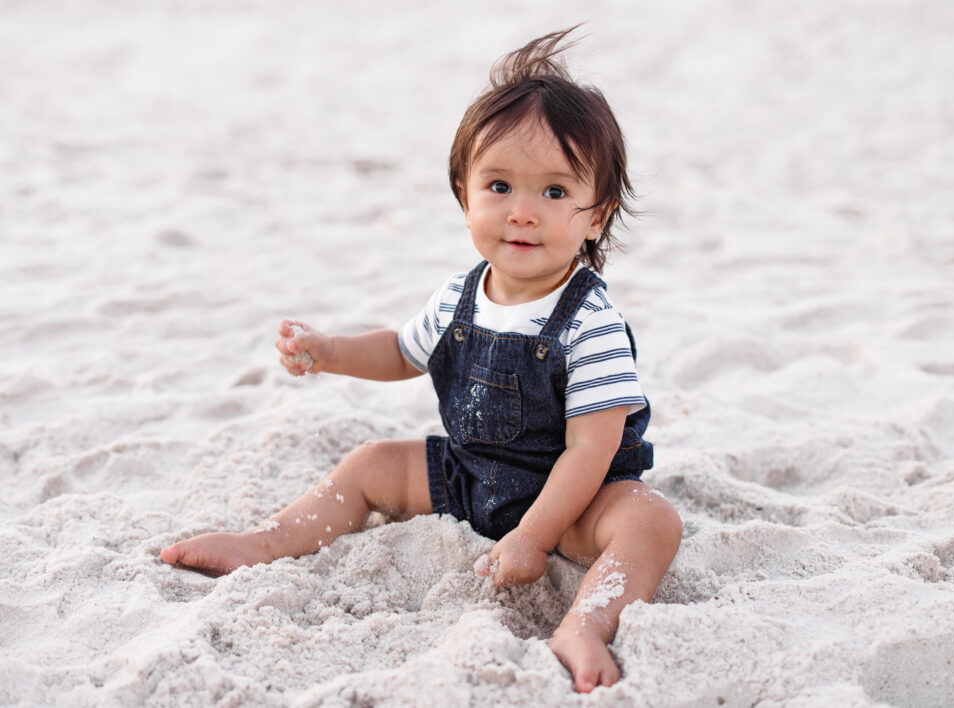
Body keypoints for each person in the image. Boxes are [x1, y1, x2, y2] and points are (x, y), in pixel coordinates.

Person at [160, 26, 682, 694]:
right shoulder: (461, 297)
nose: (522, 212)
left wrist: (533, 534)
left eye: (554, 192)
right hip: (470, 477)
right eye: (500, 186)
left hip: (572, 502)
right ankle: (266, 540)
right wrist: (331, 351)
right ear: (464, 195)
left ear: (595, 217)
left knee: (649, 519)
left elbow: (590, 448)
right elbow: (403, 351)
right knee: (373, 463)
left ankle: (586, 621)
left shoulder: (591, 323)